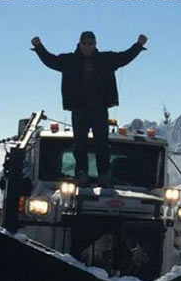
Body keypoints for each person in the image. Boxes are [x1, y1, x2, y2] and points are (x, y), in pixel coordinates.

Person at [31, 31, 148, 187]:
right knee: (80, 144)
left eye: (90, 43)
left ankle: (104, 175)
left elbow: (124, 57)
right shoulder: (69, 61)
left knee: (102, 144)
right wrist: (39, 47)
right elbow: (50, 60)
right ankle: (81, 174)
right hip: (79, 109)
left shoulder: (106, 59)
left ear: (95, 44)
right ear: (79, 44)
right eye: (85, 43)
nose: (87, 46)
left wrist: (138, 45)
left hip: (99, 108)